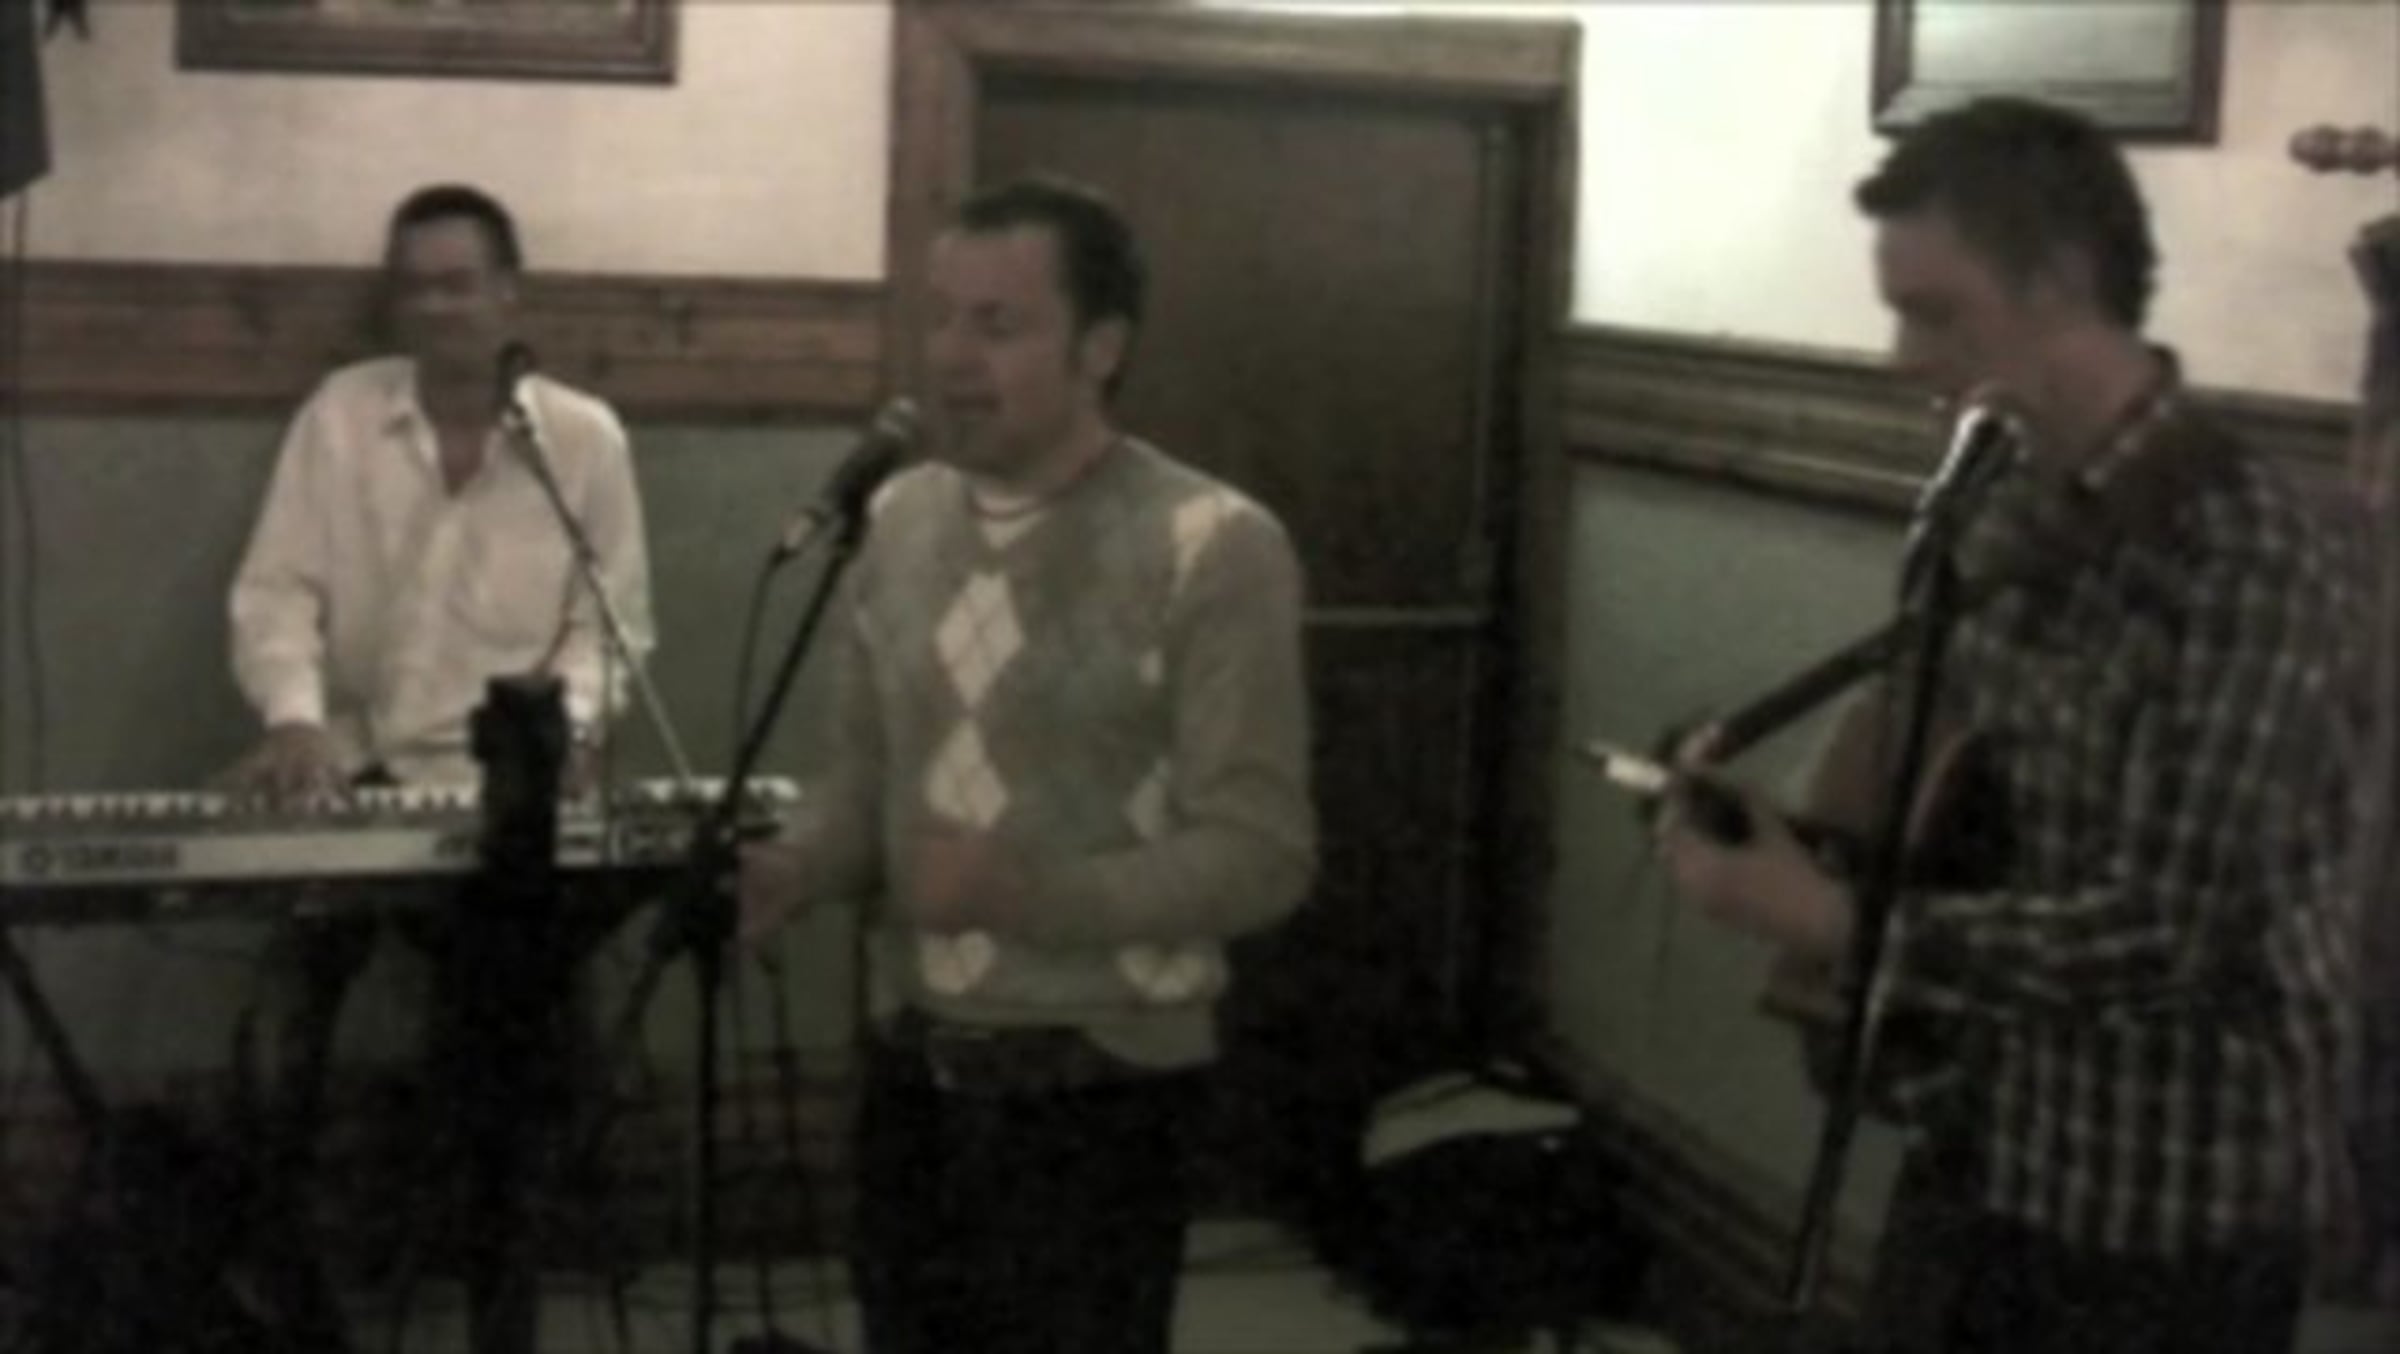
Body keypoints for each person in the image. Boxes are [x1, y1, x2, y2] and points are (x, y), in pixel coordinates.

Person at [1656, 98, 2372, 1354]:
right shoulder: (1993, 506)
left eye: (1935, 313)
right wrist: (1804, 836)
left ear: (2061, 282)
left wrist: (1832, 919)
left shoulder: (2248, 552)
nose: (1901, 356)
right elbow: (1972, 809)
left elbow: (2168, 929)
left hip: (2169, 1191)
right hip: (1984, 1131)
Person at [737, 176, 1315, 1354]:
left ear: (1101, 348)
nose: (952, 355)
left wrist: (1028, 894)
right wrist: (795, 866)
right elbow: (862, 781)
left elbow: (1262, 856)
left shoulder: (1215, 544)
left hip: (1100, 1083)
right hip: (911, 1066)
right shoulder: (897, 518)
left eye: (997, 325)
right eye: (941, 316)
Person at [220, 182, 654, 1348]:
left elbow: (611, 628)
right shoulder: (341, 417)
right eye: (414, 287)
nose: (436, 308)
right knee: (285, 1021)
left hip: (509, 784)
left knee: (505, 1022)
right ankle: (290, 1292)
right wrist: (294, 719)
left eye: (460, 284)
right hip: (361, 766)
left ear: (510, 295)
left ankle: (497, 1297)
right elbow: (277, 590)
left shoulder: (581, 440)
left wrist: (569, 731)